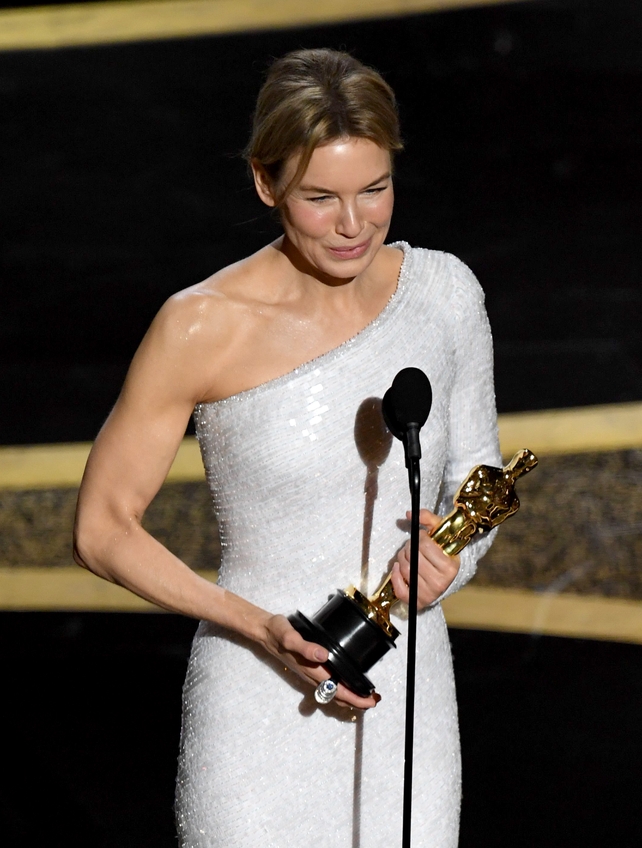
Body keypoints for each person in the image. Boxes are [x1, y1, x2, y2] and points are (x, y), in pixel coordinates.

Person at [74, 48, 501, 847]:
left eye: (375, 189)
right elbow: (101, 530)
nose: (354, 224)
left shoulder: (443, 293)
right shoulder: (200, 324)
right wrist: (256, 625)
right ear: (267, 185)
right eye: (320, 197)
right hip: (254, 698)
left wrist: (454, 554)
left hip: (406, 694)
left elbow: (479, 469)